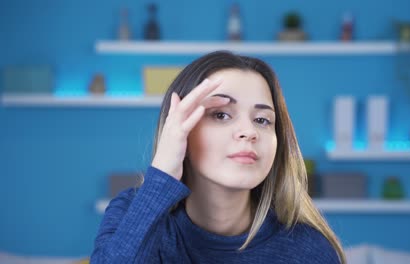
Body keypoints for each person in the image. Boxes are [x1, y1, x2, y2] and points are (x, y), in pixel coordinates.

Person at [90, 51, 346, 263]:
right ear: (180, 129)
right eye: (221, 115)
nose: (249, 132)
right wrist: (162, 176)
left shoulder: (308, 250)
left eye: (262, 120)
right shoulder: (130, 212)